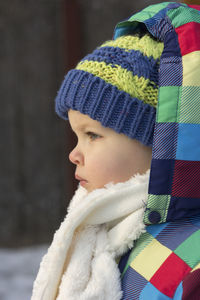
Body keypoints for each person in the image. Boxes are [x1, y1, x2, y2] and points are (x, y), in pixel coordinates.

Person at [31, 2, 200, 299]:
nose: (74, 154)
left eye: (92, 135)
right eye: (76, 136)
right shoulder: (103, 235)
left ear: (160, 141)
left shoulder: (192, 265)